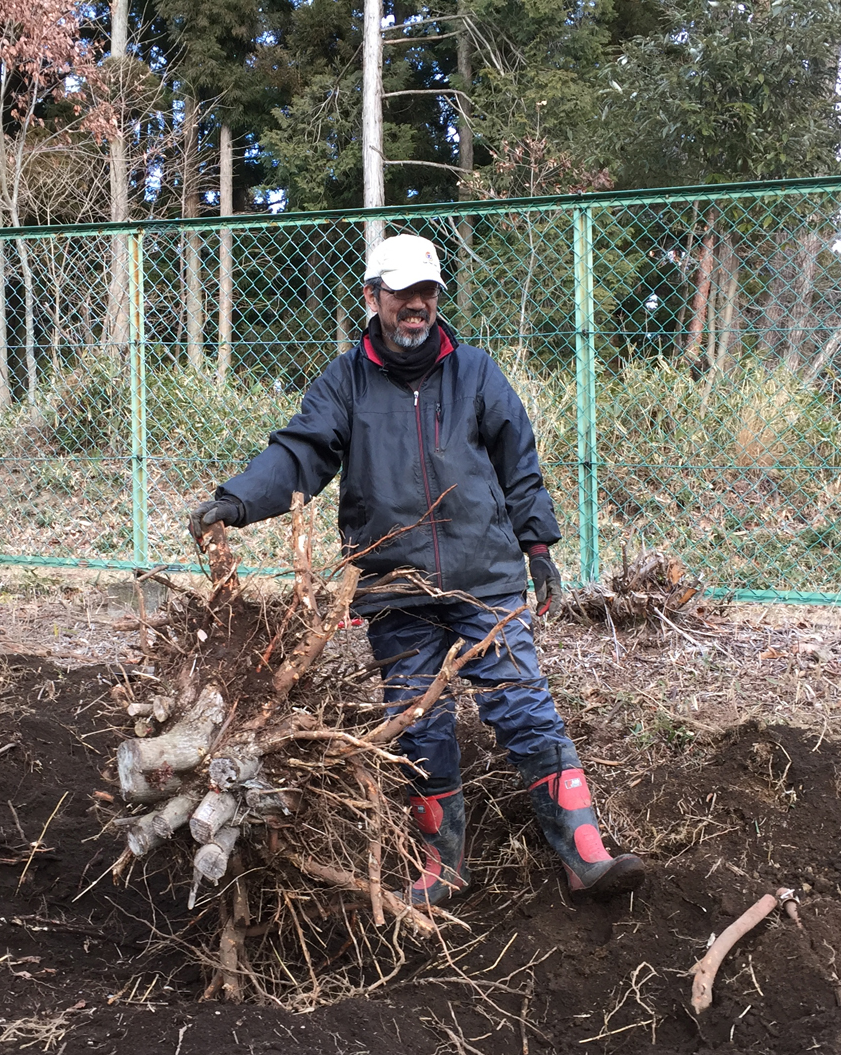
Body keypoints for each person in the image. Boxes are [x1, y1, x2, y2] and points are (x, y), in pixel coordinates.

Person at [188, 234, 644, 905]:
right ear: (372, 297)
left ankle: (585, 856)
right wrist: (236, 500)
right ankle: (443, 867)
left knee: (523, 706)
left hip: (484, 577)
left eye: (426, 293)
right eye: (402, 294)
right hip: (395, 588)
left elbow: (520, 465)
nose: (416, 307)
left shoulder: (476, 373)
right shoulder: (345, 383)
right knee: (416, 723)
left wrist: (539, 547)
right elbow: (299, 456)